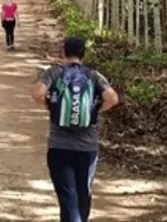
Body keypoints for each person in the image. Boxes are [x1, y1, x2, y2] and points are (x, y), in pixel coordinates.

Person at [31, 37, 120, 222]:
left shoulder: (54, 73)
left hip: (59, 146)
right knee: (83, 193)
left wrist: (49, 105)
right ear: (83, 55)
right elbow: (113, 98)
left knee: (67, 197)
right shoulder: (93, 76)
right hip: (87, 148)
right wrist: (96, 110)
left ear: (63, 54)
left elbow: (36, 93)